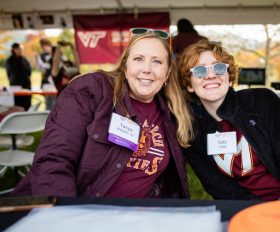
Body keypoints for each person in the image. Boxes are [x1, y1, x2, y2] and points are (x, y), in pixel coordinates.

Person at [13, 28, 194, 199]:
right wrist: (67, 217)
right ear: (125, 65)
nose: (147, 68)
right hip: (82, 215)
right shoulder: (91, 91)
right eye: (138, 59)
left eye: (157, 61)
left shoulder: (171, 114)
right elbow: (54, 161)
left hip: (138, 220)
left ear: (168, 72)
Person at [178, 40, 280, 201]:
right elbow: (220, 188)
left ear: (229, 77)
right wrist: (256, 215)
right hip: (249, 211)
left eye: (218, 68)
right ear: (189, 84)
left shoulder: (262, 102)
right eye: (199, 71)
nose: (210, 75)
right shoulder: (193, 131)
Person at [5, 43, 32, 111]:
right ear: (14, 49)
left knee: (26, 106)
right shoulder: (10, 61)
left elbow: (29, 72)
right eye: (19, 49)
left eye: (21, 49)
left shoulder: (24, 60)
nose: (20, 50)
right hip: (15, 87)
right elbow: (9, 74)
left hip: (26, 87)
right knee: (17, 107)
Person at [35, 38, 56, 110]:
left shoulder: (56, 54)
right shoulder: (43, 55)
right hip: (47, 83)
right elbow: (43, 68)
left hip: (56, 83)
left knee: (55, 104)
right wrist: (37, 59)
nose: (43, 49)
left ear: (48, 45)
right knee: (48, 103)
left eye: (44, 47)